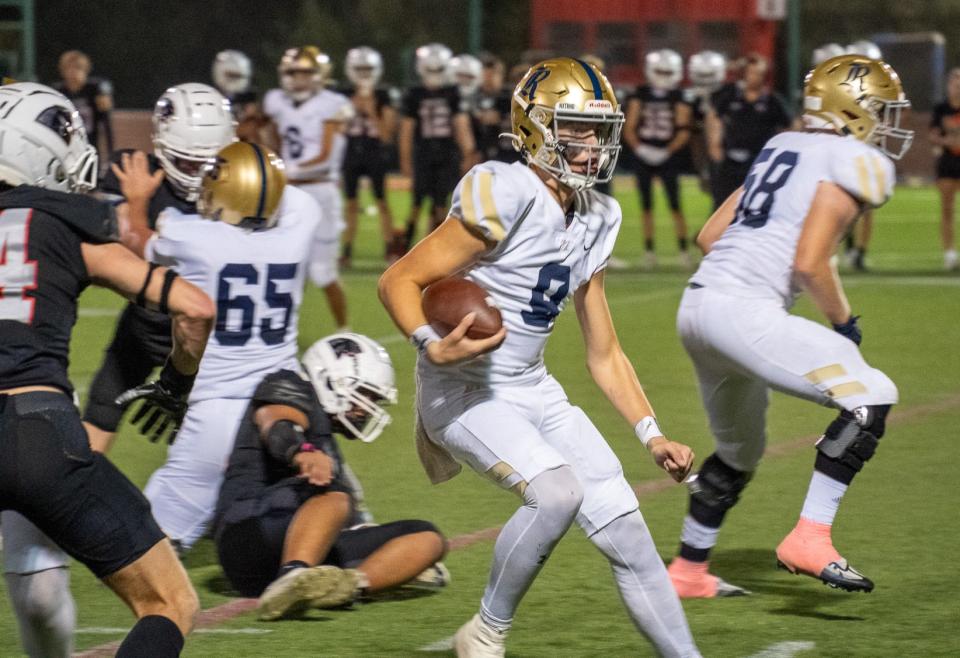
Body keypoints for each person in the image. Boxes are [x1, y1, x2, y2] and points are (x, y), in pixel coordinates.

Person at [379, 57, 700, 658]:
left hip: (534, 387)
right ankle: (486, 633)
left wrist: (651, 433)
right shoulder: (505, 189)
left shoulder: (600, 214)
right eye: (575, 129)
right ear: (535, 128)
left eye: (598, 130)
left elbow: (604, 351)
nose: (591, 145)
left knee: (629, 532)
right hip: (464, 389)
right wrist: (430, 342)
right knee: (557, 493)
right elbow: (399, 280)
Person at [666, 54, 913, 598]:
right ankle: (810, 536)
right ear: (856, 109)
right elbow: (809, 262)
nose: (890, 124)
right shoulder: (852, 159)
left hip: (699, 306)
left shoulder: (782, 144)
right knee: (871, 393)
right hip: (742, 311)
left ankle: (688, 571)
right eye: (883, 110)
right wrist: (843, 323)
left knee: (738, 452)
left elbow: (711, 236)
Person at [0, 81, 215, 657]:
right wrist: (176, 380)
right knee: (169, 604)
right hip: (36, 432)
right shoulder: (66, 225)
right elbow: (195, 308)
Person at [106, 142, 324, 554]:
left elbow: (135, 242)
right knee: (314, 500)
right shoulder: (300, 225)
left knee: (146, 543)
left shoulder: (194, 237)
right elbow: (284, 192)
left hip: (217, 407)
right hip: (284, 400)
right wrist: (256, 165)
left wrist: (137, 199)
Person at [213, 333, 448, 620]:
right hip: (245, 534)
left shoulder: (326, 439)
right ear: (330, 379)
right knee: (334, 495)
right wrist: (300, 451)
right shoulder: (289, 384)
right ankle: (294, 577)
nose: (366, 407)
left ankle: (345, 588)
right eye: (365, 394)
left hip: (292, 540)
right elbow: (276, 422)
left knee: (427, 536)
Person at [82, 82, 236, 454]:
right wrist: (130, 202)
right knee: (95, 424)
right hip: (145, 328)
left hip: (211, 342)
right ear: (163, 145)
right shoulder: (131, 170)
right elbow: (118, 268)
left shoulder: (244, 186)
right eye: (186, 162)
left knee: (218, 452)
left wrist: (137, 206)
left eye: (209, 162)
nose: (198, 173)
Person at [263, 46, 353, 330]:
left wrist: (286, 170)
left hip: (320, 192)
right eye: (294, 73)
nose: (299, 79)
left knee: (323, 272)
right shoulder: (276, 101)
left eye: (305, 73)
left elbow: (327, 157)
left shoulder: (332, 103)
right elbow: (275, 141)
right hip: (290, 193)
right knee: (290, 269)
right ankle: (284, 331)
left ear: (319, 75)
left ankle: (345, 332)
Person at [399, 43, 476, 250]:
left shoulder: (452, 92)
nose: (434, 74)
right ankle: (405, 248)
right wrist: (405, 160)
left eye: (438, 69)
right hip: (423, 152)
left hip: (446, 153)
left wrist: (468, 152)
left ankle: (433, 249)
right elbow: (407, 129)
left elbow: (461, 124)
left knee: (441, 204)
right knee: (417, 203)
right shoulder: (414, 94)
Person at [625, 49, 693, 269]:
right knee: (646, 205)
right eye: (659, 70)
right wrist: (639, 148)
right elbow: (629, 126)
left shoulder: (679, 97)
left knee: (675, 204)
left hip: (668, 155)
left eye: (667, 71)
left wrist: (668, 150)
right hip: (644, 153)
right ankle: (649, 251)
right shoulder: (639, 94)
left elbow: (684, 128)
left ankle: (683, 251)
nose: (663, 75)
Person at [707, 53, 792, 209]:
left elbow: (789, 126)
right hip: (730, 160)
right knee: (721, 204)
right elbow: (715, 116)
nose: (754, 77)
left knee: (756, 205)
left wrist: (779, 151)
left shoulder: (772, 100)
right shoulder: (731, 96)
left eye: (759, 74)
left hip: (759, 162)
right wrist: (714, 143)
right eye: (751, 72)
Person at [339, 46, 399, 268]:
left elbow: (386, 134)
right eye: (360, 69)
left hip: (374, 151)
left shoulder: (383, 95)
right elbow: (336, 130)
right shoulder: (343, 95)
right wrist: (351, 108)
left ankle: (389, 247)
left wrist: (372, 110)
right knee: (351, 203)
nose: (364, 74)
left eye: (368, 69)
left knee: (382, 201)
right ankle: (346, 251)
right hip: (351, 150)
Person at [842, 41, 885, 271]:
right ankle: (846, 247)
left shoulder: (879, 90)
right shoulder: (840, 89)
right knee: (843, 204)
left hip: (868, 151)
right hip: (845, 151)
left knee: (867, 206)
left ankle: (859, 251)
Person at [52, 50, 113, 163]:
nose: (73, 72)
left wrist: (111, 153)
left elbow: (106, 124)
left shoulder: (95, 90)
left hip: (90, 148)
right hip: (66, 150)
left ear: (86, 70)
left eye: (77, 68)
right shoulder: (58, 92)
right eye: (68, 68)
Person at [685, 50, 727, 200]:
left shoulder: (727, 95)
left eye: (708, 75)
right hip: (700, 144)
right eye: (702, 76)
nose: (705, 80)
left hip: (723, 146)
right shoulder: (690, 98)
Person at [930, 67, 960, 271]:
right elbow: (932, 135)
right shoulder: (941, 108)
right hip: (948, 163)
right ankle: (949, 254)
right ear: (949, 85)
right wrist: (946, 140)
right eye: (955, 81)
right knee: (947, 209)